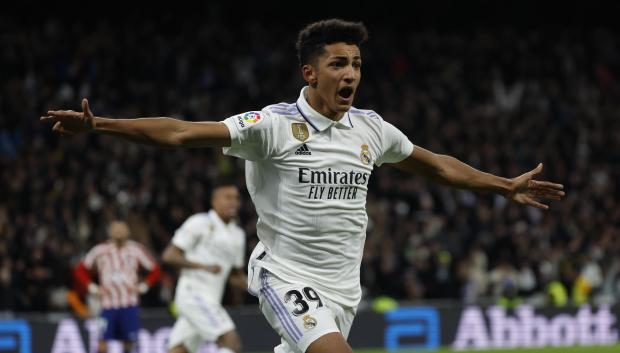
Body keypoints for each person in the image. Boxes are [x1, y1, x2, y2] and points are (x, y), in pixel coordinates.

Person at [43, 18, 564, 353]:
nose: (351, 73)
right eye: (338, 63)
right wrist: (102, 125)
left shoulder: (371, 129)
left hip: (343, 290)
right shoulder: (271, 126)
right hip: (284, 277)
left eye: (356, 63)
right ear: (310, 73)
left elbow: (437, 166)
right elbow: (182, 132)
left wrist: (503, 187)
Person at [162, 181, 246, 353]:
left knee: (180, 349)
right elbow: (169, 255)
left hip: (212, 298)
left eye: (236, 198)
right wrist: (202, 266)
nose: (233, 202)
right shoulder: (199, 222)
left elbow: (234, 274)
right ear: (214, 201)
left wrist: (258, 289)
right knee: (230, 341)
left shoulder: (238, 235)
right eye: (227, 197)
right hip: (193, 293)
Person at [74, 220, 161, 353]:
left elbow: (155, 270)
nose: (119, 232)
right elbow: (80, 270)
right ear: (110, 232)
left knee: (129, 343)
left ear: (128, 232)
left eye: (122, 229)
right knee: (102, 344)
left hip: (129, 304)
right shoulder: (100, 250)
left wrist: (143, 286)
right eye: (116, 229)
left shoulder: (136, 249)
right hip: (108, 305)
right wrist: (92, 287)